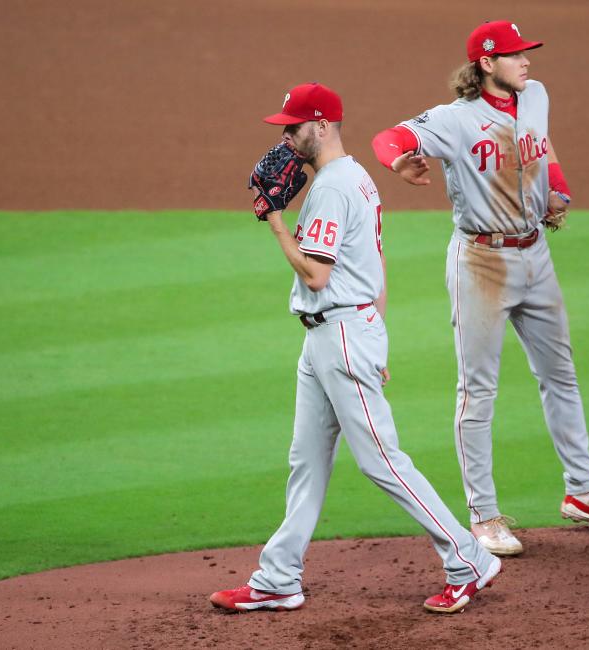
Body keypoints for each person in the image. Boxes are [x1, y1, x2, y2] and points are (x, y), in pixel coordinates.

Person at [210, 82, 501, 615]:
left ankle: (468, 558)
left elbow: (317, 274)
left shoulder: (332, 189)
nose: (286, 140)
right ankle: (278, 577)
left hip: (340, 334)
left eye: (293, 128)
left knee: (382, 462)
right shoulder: (359, 179)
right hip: (336, 337)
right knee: (307, 462)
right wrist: (377, 337)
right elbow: (375, 265)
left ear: (321, 126)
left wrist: (275, 222)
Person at [371, 20, 589, 556]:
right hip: (481, 262)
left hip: (537, 253)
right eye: (515, 54)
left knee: (561, 375)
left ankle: (583, 491)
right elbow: (390, 136)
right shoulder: (454, 120)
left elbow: (544, 145)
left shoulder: (535, 96)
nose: (527, 61)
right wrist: (400, 161)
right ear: (486, 64)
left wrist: (558, 190)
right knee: (478, 391)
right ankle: (483, 516)